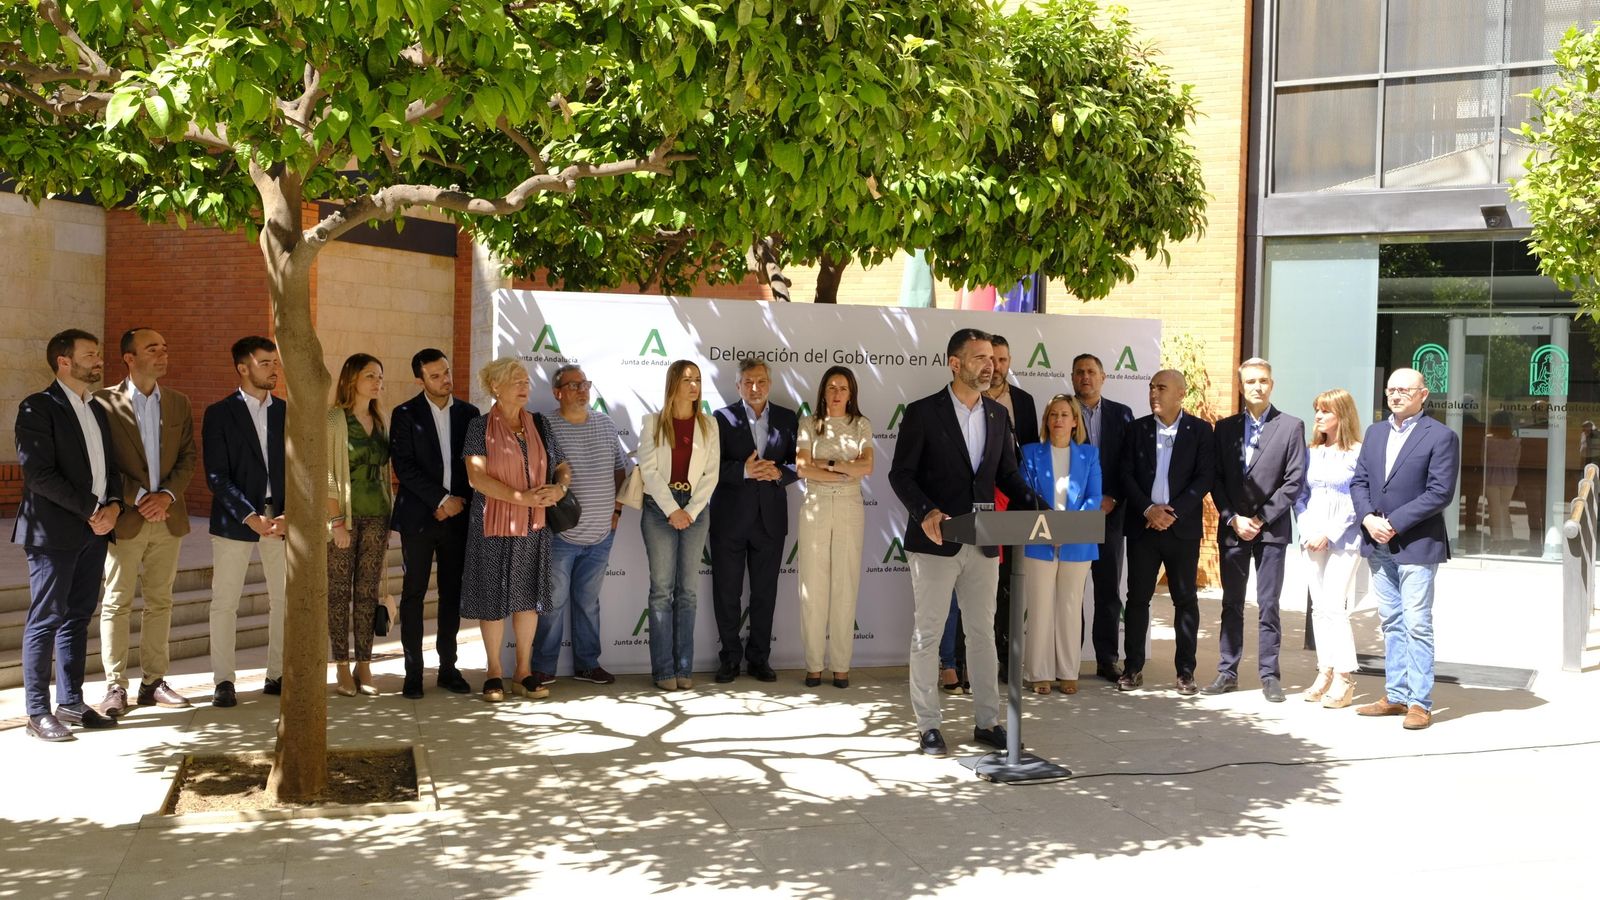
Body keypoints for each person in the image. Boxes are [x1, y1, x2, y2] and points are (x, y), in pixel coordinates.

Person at [888, 328, 1043, 757]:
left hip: (985, 542)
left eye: (993, 358)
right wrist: (928, 512)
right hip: (935, 540)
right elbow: (900, 474)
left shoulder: (998, 416)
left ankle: (987, 722)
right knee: (929, 633)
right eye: (979, 358)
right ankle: (928, 726)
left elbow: (1008, 476)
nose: (990, 365)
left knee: (981, 634)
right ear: (955, 364)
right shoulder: (923, 413)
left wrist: (1040, 507)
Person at [13, 329, 122, 741]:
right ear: (63, 360)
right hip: (53, 533)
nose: (98, 361)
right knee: (46, 619)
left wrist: (113, 507)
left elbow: (110, 470)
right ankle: (36, 712)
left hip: (96, 532)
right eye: (90, 355)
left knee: (78, 617)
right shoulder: (37, 408)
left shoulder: (97, 410)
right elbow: (39, 474)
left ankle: (71, 702)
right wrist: (93, 509)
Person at [1351, 367, 1460, 731]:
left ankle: (1419, 702)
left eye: (1404, 390)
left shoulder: (1441, 436)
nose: (1395, 396)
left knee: (1416, 623)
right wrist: (1367, 518)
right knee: (1392, 622)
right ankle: (1396, 695)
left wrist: (1393, 522)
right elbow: (1360, 481)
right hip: (1377, 541)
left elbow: (1439, 493)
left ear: (1423, 395)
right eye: (1391, 390)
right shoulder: (1375, 432)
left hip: (1416, 543)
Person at [95, 328, 196, 716]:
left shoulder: (179, 402)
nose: (163, 354)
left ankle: (153, 682)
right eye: (153, 348)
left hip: (168, 517)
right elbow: (102, 461)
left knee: (160, 601)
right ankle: (114, 686)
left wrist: (166, 496)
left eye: (165, 348)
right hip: (127, 518)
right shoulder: (104, 402)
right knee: (117, 602)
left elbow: (188, 457)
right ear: (129, 358)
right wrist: (139, 497)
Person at [460, 358, 571, 702]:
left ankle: (523, 672)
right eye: (516, 382)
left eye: (526, 381)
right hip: (492, 525)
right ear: (496, 387)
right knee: (493, 599)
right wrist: (519, 497)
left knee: (528, 600)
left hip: (533, 527)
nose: (525, 387)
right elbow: (475, 477)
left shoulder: (539, 424)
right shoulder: (478, 427)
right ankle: (494, 672)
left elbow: (562, 465)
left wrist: (560, 489)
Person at [1204, 358, 1305, 702]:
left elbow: (1293, 481)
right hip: (1234, 528)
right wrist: (1233, 518)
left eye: (1263, 381)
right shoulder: (1225, 428)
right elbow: (1215, 478)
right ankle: (1227, 671)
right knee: (1231, 603)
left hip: (1271, 530)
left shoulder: (1291, 426)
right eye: (1250, 381)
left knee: (1268, 604)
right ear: (1241, 386)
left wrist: (1259, 518)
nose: (1257, 387)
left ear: (1272, 385)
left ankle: (1269, 675)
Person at [531, 364, 628, 688]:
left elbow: (620, 469)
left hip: (602, 534)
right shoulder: (545, 426)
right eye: (573, 385)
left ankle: (587, 664)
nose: (582, 390)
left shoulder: (605, 423)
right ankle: (543, 667)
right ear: (558, 393)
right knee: (553, 602)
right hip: (561, 535)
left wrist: (616, 511)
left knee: (588, 602)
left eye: (585, 383)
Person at [389, 348, 478, 699]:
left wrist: (456, 504)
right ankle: (413, 672)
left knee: (451, 595)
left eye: (446, 372)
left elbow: (475, 466)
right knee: (413, 595)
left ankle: (448, 668)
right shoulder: (405, 414)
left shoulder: (470, 414)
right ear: (420, 380)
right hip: (420, 519)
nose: (446, 380)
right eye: (436, 375)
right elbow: (404, 466)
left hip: (458, 519)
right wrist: (441, 500)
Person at [204, 336, 287, 708]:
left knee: (282, 600)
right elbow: (217, 476)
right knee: (225, 603)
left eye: (275, 362)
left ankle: (277, 674)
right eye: (266, 362)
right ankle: (224, 681)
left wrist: (291, 515)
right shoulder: (219, 413)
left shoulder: (287, 411)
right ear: (243, 367)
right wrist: (250, 516)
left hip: (282, 520)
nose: (274, 369)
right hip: (236, 520)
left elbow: (301, 469)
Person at [1120, 369, 1214, 695]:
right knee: (1137, 600)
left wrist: (1173, 512)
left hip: (1181, 529)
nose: (1153, 393)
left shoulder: (1201, 431)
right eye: (1151, 387)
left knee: (1185, 600)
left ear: (1180, 394)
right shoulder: (1136, 430)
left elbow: (1205, 477)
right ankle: (1132, 668)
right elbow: (1125, 474)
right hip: (1144, 527)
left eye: (1161, 387)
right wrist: (1149, 509)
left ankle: (1185, 672)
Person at [709, 356, 799, 684]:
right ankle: (730, 659)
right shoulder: (720, 419)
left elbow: (799, 463)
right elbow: (708, 469)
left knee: (765, 594)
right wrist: (744, 470)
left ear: (770, 384)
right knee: (727, 593)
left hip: (770, 522)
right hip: (729, 521)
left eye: (761, 381)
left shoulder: (789, 418)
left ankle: (759, 659)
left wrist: (779, 472)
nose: (755, 387)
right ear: (738, 386)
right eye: (748, 382)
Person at [637, 360, 720, 690]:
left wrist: (692, 511)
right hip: (660, 510)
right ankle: (663, 670)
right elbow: (649, 471)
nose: (694, 385)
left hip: (696, 511)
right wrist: (673, 509)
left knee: (688, 593)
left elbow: (710, 475)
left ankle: (684, 667)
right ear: (673, 384)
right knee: (661, 592)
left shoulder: (709, 425)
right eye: (687, 379)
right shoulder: (653, 422)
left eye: (697, 379)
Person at [795, 365, 874, 689]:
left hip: (849, 507)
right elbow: (802, 468)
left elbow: (867, 466)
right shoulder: (809, 423)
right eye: (831, 387)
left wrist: (824, 464)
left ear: (851, 392)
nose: (837, 393)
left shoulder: (861, 425)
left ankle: (841, 666)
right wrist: (844, 469)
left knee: (845, 585)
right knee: (812, 586)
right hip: (815, 505)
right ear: (823, 392)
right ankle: (814, 664)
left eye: (843, 387)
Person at [1017, 395, 1101, 695]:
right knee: (1039, 608)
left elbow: (1094, 498)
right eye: (1053, 415)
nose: (1058, 420)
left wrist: (1067, 527)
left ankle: (1068, 671)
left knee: (1069, 607)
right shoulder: (1029, 453)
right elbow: (1024, 494)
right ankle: (1038, 672)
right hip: (1038, 542)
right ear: (1046, 420)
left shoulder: (1089, 455)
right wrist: (1050, 526)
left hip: (1077, 543)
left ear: (1075, 421)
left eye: (1065, 414)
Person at [326, 354, 392, 698]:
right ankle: (340, 664)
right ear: (351, 379)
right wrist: (336, 522)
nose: (377, 381)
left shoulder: (380, 419)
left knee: (367, 593)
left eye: (380, 376)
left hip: (378, 516)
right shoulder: (335, 419)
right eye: (370, 375)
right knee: (339, 593)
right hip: (345, 519)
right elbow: (327, 473)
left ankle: (364, 662)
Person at [1295, 388, 1364, 709]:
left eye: (1325, 411)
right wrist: (1308, 529)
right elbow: (1299, 496)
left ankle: (1345, 677)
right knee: (1319, 608)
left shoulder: (1359, 453)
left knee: (1336, 606)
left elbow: (1359, 498)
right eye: (1316, 411)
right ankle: (1325, 670)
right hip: (1311, 535)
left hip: (1344, 538)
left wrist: (1330, 533)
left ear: (1342, 415)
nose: (1318, 416)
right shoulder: (1311, 452)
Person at [1072, 353, 1136, 683]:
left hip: (1111, 515)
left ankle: (1107, 659)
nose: (1086, 377)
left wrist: (1113, 498)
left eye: (1091, 372)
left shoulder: (1121, 415)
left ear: (1103, 377)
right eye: (1080, 372)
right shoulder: (1062, 411)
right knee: (1070, 592)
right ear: (1072, 377)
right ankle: (1069, 660)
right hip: (1071, 518)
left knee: (1108, 590)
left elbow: (1128, 465)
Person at [980, 335, 1039, 678]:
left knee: (1009, 584)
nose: (997, 367)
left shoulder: (1025, 401)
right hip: (982, 502)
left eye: (1003, 360)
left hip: (1015, 502)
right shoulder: (971, 398)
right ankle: (963, 660)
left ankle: (1005, 657)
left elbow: (1030, 453)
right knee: (978, 581)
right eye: (992, 360)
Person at [1482, 410, 1520, 549]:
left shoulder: (1488, 441)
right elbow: (1517, 461)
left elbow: (1483, 460)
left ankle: (1496, 538)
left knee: (1494, 508)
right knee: (1504, 507)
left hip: (1492, 475)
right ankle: (1508, 537)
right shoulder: (1516, 441)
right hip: (1509, 476)